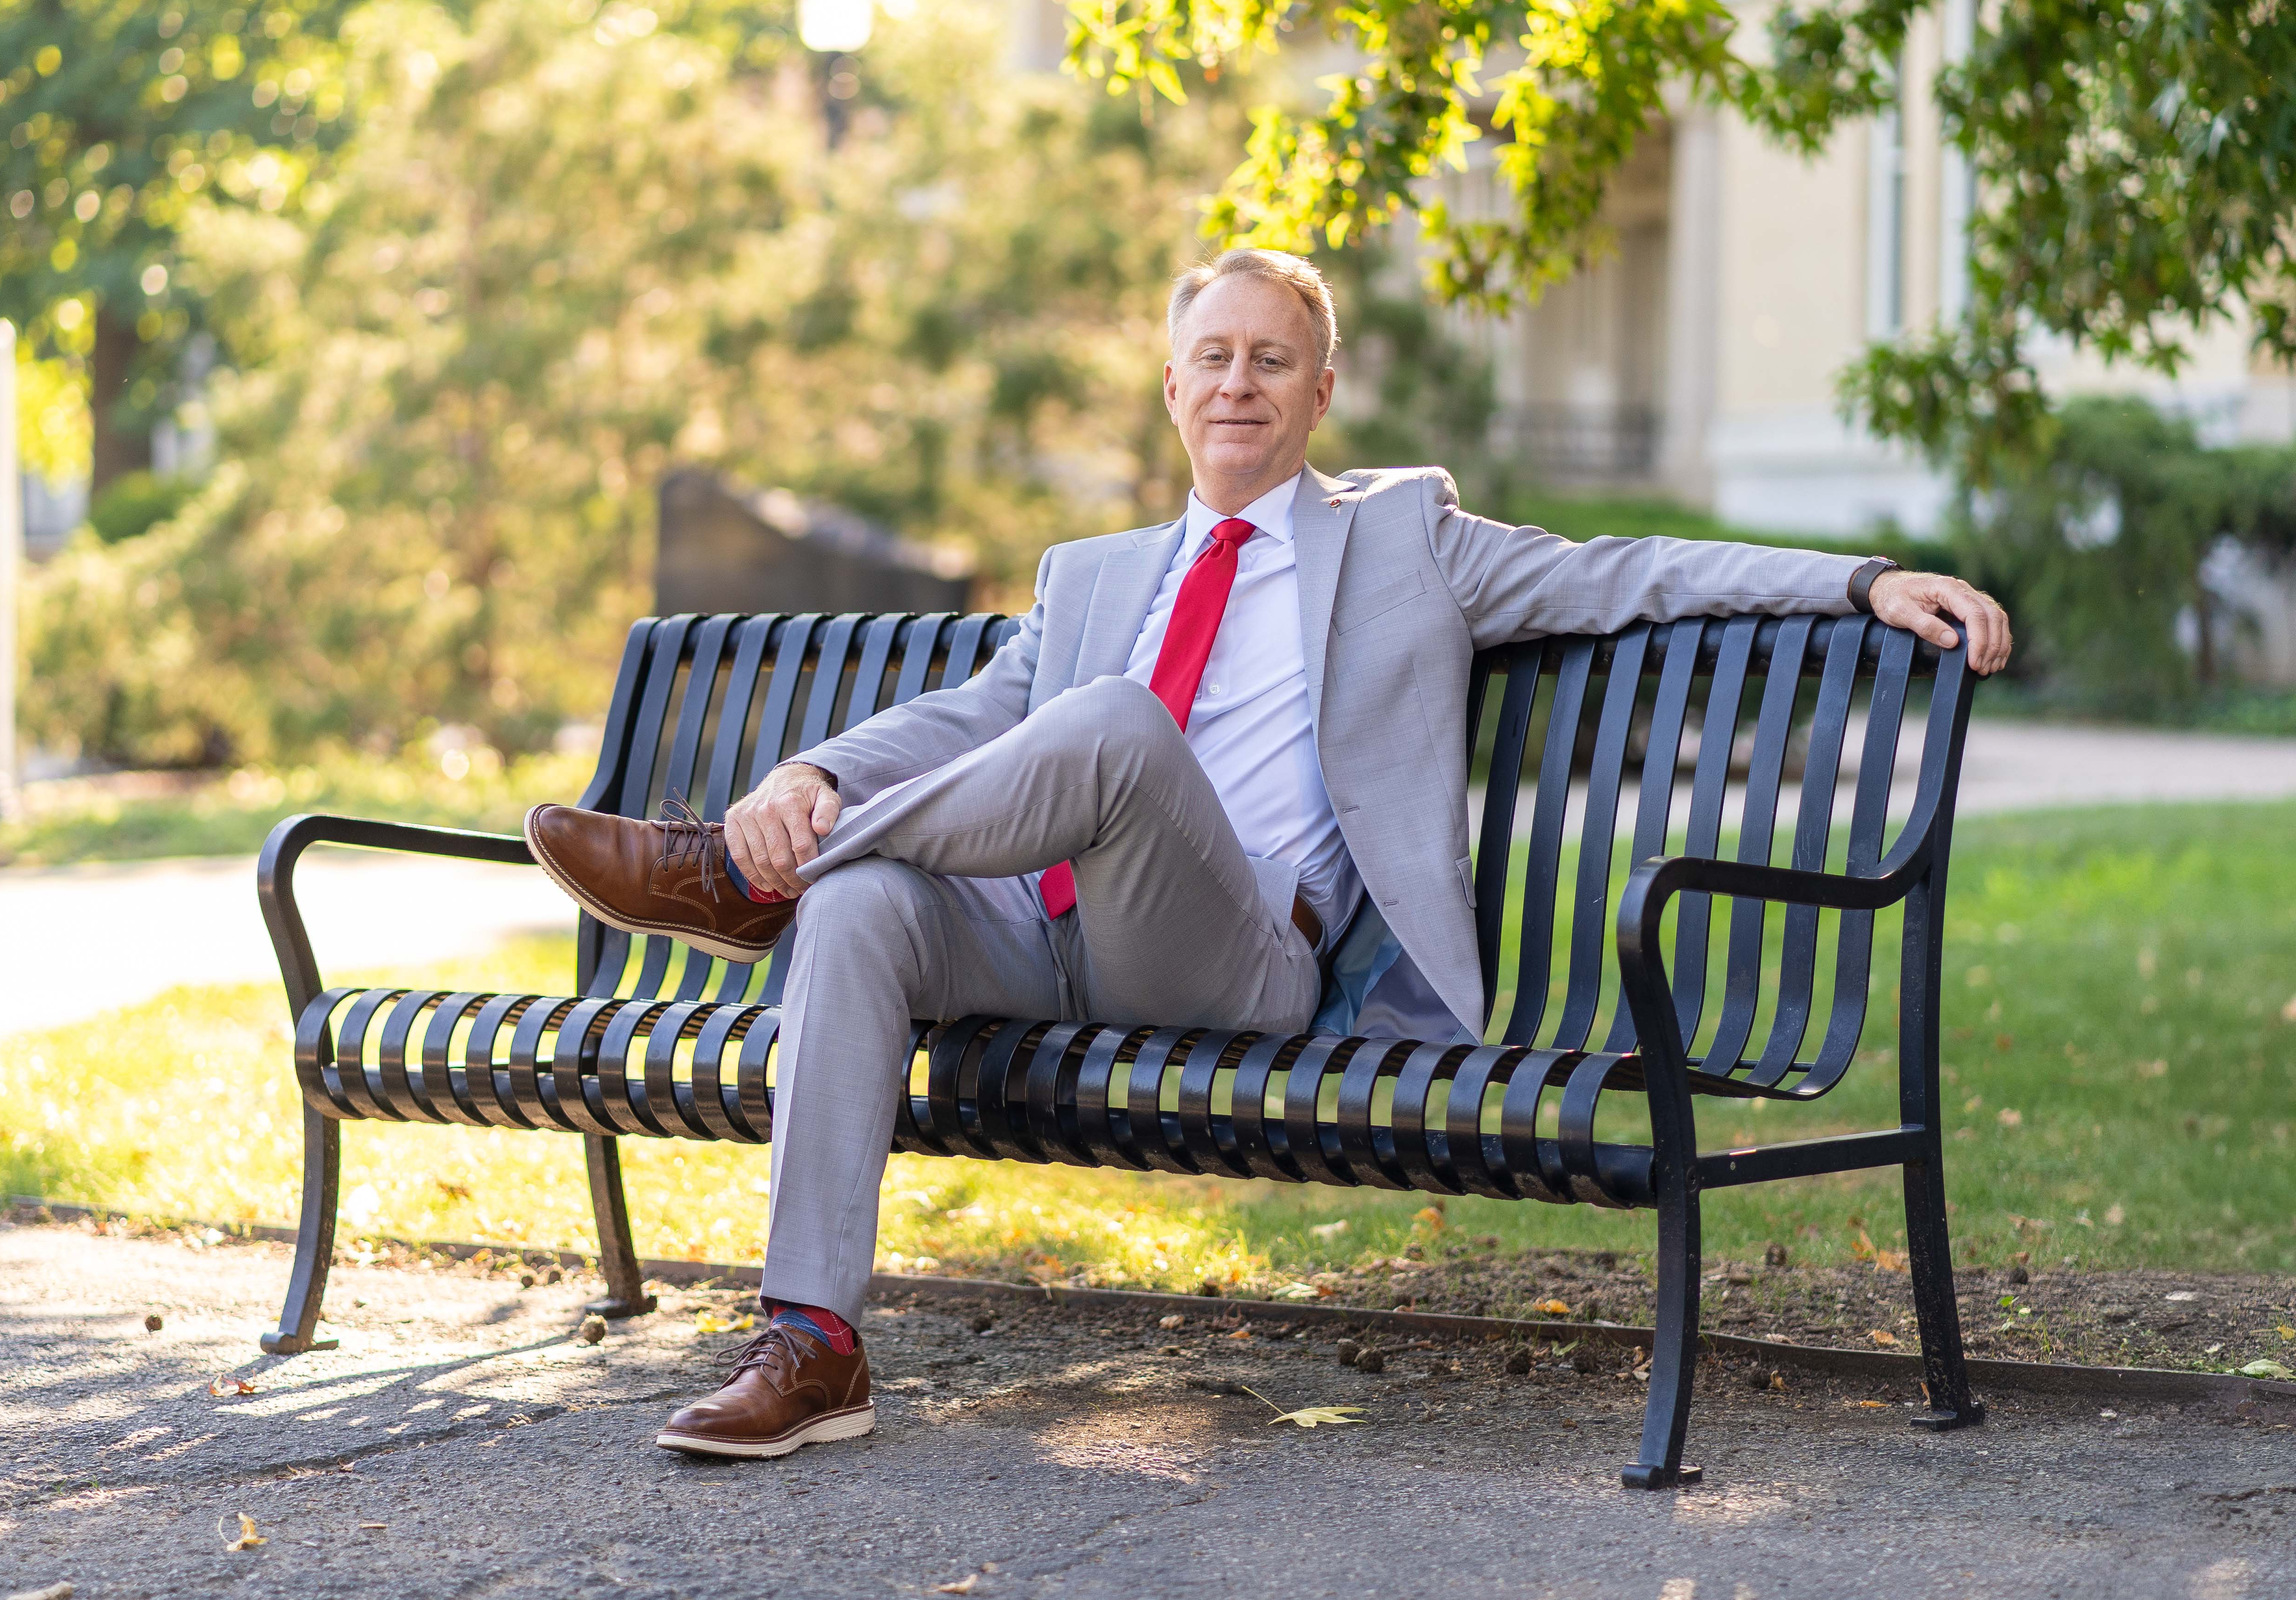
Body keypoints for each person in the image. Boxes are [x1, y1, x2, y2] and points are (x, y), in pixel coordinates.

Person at [524, 248, 2014, 1459]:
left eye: (1271, 358)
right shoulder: (1093, 573)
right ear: (1170, 386)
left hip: (1242, 959)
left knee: (1108, 727)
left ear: (1319, 388)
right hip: (1046, 940)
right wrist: (807, 774)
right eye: (1213, 358)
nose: (1239, 382)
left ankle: (729, 879)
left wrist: (1865, 579)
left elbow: (1629, 575)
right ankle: (815, 1347)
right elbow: (970, 713)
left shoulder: (1406, 537)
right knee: (857, 900)